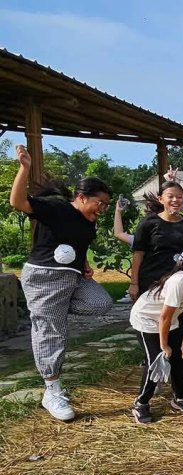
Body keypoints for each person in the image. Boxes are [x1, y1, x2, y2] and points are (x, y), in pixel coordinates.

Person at [10, 144, 114, 421]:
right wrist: (24, 169)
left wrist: (85, 264)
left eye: (106, 205)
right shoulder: (56, 207)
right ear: (81, 197)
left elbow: (77, 247)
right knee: (53, 334)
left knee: (101, 303)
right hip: (44, 276)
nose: (102, 209)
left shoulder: (88, 221)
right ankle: (51, 390)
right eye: (99, 203)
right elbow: (18, 203)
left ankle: (47, 316)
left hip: (73, 278)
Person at [129, 238, 183, 423]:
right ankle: (141, 403)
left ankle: (180, 398)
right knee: (156, 360)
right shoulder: (179, 281)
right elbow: (164, 317)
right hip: (147, 319)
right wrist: (164, 345)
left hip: (169, 320)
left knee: (180, 358)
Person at [130, 181, 183, 390]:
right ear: (161, 199)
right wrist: (134, 283)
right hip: (151, 285)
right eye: (170, 196)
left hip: (179, 287)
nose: (175, 200)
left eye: (179, 196)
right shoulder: (149, 223)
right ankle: (156, 368)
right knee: (153, 328)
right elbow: (138, 254)